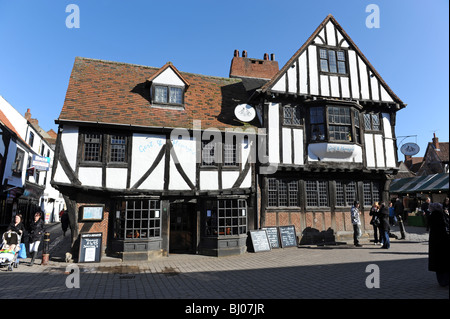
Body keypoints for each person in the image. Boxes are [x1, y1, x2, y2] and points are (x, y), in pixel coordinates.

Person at [428, 202, 449, 287]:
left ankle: (441, 281)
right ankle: (446, 280)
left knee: (438, 263)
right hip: (444, 241)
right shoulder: (442, 215)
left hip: (435, 241)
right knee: (445, 261)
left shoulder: (432, 216)